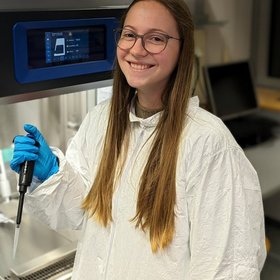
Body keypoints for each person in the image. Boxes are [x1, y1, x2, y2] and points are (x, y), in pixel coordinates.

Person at [10, 0, 267, 279]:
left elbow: (228, 268)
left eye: (156, 38)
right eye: (130, 34)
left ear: (182, 49)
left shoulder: (208, 144)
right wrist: (51, 176)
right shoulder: (101, 120)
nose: (137, 49)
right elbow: (81, 212)